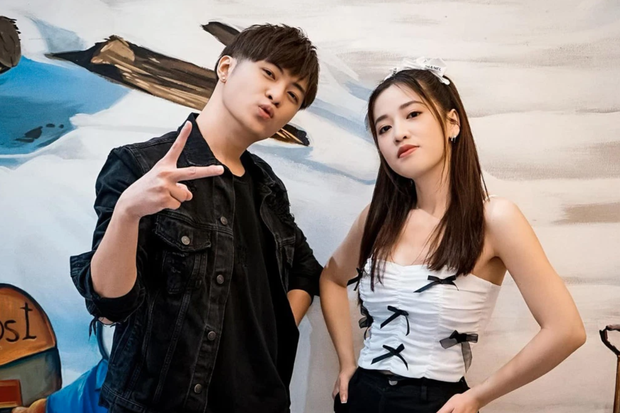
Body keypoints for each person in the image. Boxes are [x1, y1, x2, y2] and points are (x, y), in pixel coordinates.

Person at [70, 23, 322, 413]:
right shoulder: (141, 165)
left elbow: (304, 270)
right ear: (226, 68)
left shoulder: (268, 188)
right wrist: (127, 213)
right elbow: (109, 304)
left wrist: (268, 336)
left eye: (293, 95)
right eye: (269, 74)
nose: (277, 95)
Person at [320, 57, 586, 413]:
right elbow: (332, 279)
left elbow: (566, 330)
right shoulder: (377, 219)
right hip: (360, 397)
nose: (398, 133)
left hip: (434, 402)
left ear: (452, 123)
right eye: (383, 128)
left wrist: (478, 396)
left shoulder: (494, 219)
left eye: (413, 114)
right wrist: (346, 362)